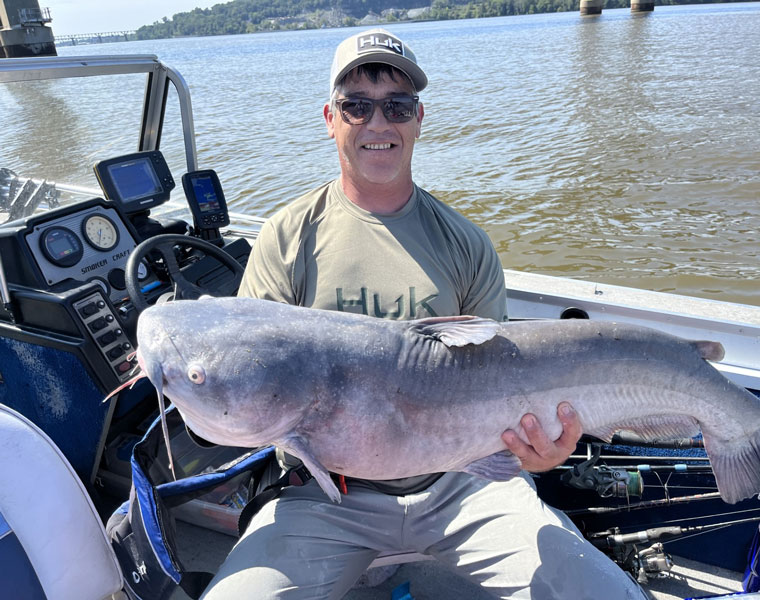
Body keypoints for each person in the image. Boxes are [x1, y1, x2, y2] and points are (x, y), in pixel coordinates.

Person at [202, 28, 647, 600]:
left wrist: (539, 450)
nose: (377, 123)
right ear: (330, 118)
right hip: (324, 495)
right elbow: (249, 384)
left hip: (461, 486)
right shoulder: (285, 238)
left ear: (419, 117)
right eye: (356, 106)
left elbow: (502, 386)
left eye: (397, 105)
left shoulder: (466, 244)